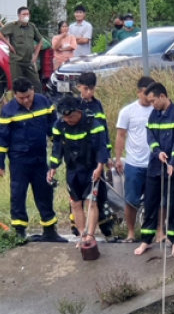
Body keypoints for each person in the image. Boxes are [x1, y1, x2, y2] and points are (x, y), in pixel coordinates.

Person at [0, 78, 65, 242]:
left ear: (33, 90)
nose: (26, 100)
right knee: (18, 195)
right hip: (19, 160)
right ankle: (19, 232)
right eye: (21, 98)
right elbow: (1, 138)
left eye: (29, 96)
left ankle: (49, 230)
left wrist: (59, 151)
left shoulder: (44, 102)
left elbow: (54, 129)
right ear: (14, 95)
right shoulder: (8, 111)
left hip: (40, 158)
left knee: (45, 192)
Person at [135, 82, 174, 258]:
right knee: (150, 203)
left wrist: (173, 161)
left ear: (163, 97)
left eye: (153, 101)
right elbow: (150, 136)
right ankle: (146, 240)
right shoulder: (153, 114)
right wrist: (157, 152)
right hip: (155, 166)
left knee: (173, 204)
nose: (152, 105)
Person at [48, 96, 109, 247]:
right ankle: (82, 234)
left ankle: (90, 235)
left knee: (91, 202)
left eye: (70, 116)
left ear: (79, 111)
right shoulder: (60, 125)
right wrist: (53, 167)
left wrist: (100, 167)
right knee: (75, 203)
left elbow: (101, 148)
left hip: (90, 169)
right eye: (65, 117)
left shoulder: (93, 124)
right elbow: (57, 149)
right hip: (73, 170)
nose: (67, 119)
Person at [115, 77, 156, 241]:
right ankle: (131, 232)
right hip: (134, 163)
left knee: (155, 201)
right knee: (131, 200)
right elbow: (120, 135)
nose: (148, 96)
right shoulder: (127, 111)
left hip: (154, 162)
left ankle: (156, 232)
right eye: (145, 92)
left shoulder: (158, 109)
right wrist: (118, 159)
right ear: (139, 92)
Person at [76, 71, 115, 238]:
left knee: (100, 195)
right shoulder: (74, 105)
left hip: (96, 157)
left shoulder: (97, 105)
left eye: (92, 89)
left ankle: (107, 229)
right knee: (79, 197)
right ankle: (79, 230)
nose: (89, 93)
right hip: (79, 159)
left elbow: (104, 131)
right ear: (79, 87)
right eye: (86, 89)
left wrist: (107, 156)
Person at [1, 7, 44, 91]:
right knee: (18, 85)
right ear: (19, 16)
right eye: (24, 14)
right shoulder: (13, 26)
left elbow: (40, 40)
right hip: (17, 61)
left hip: (28, 61)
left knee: (36, 85)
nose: (26, 16)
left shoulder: (32, 26)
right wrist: (9, 45)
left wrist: (35, 55)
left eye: (27, 14)